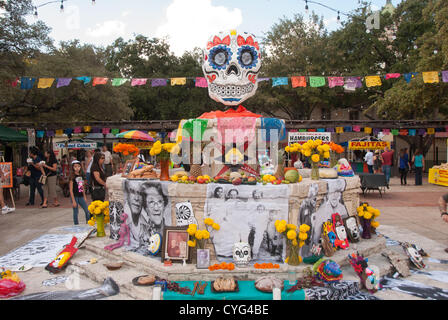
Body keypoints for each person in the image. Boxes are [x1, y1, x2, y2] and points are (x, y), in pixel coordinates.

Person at [69, 160, 90, 225]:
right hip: (75, 196)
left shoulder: (80, 176)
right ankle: (76, 225)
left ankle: (88, 223)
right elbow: (71, 189)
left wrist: (84, 196)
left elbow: (81, 187)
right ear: (73, 168)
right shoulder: (72, 177)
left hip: (80, 195)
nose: (77, 168)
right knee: (76, 212)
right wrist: (73, 200)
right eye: (75, 167)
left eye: (78, 166)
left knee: (87, 211)